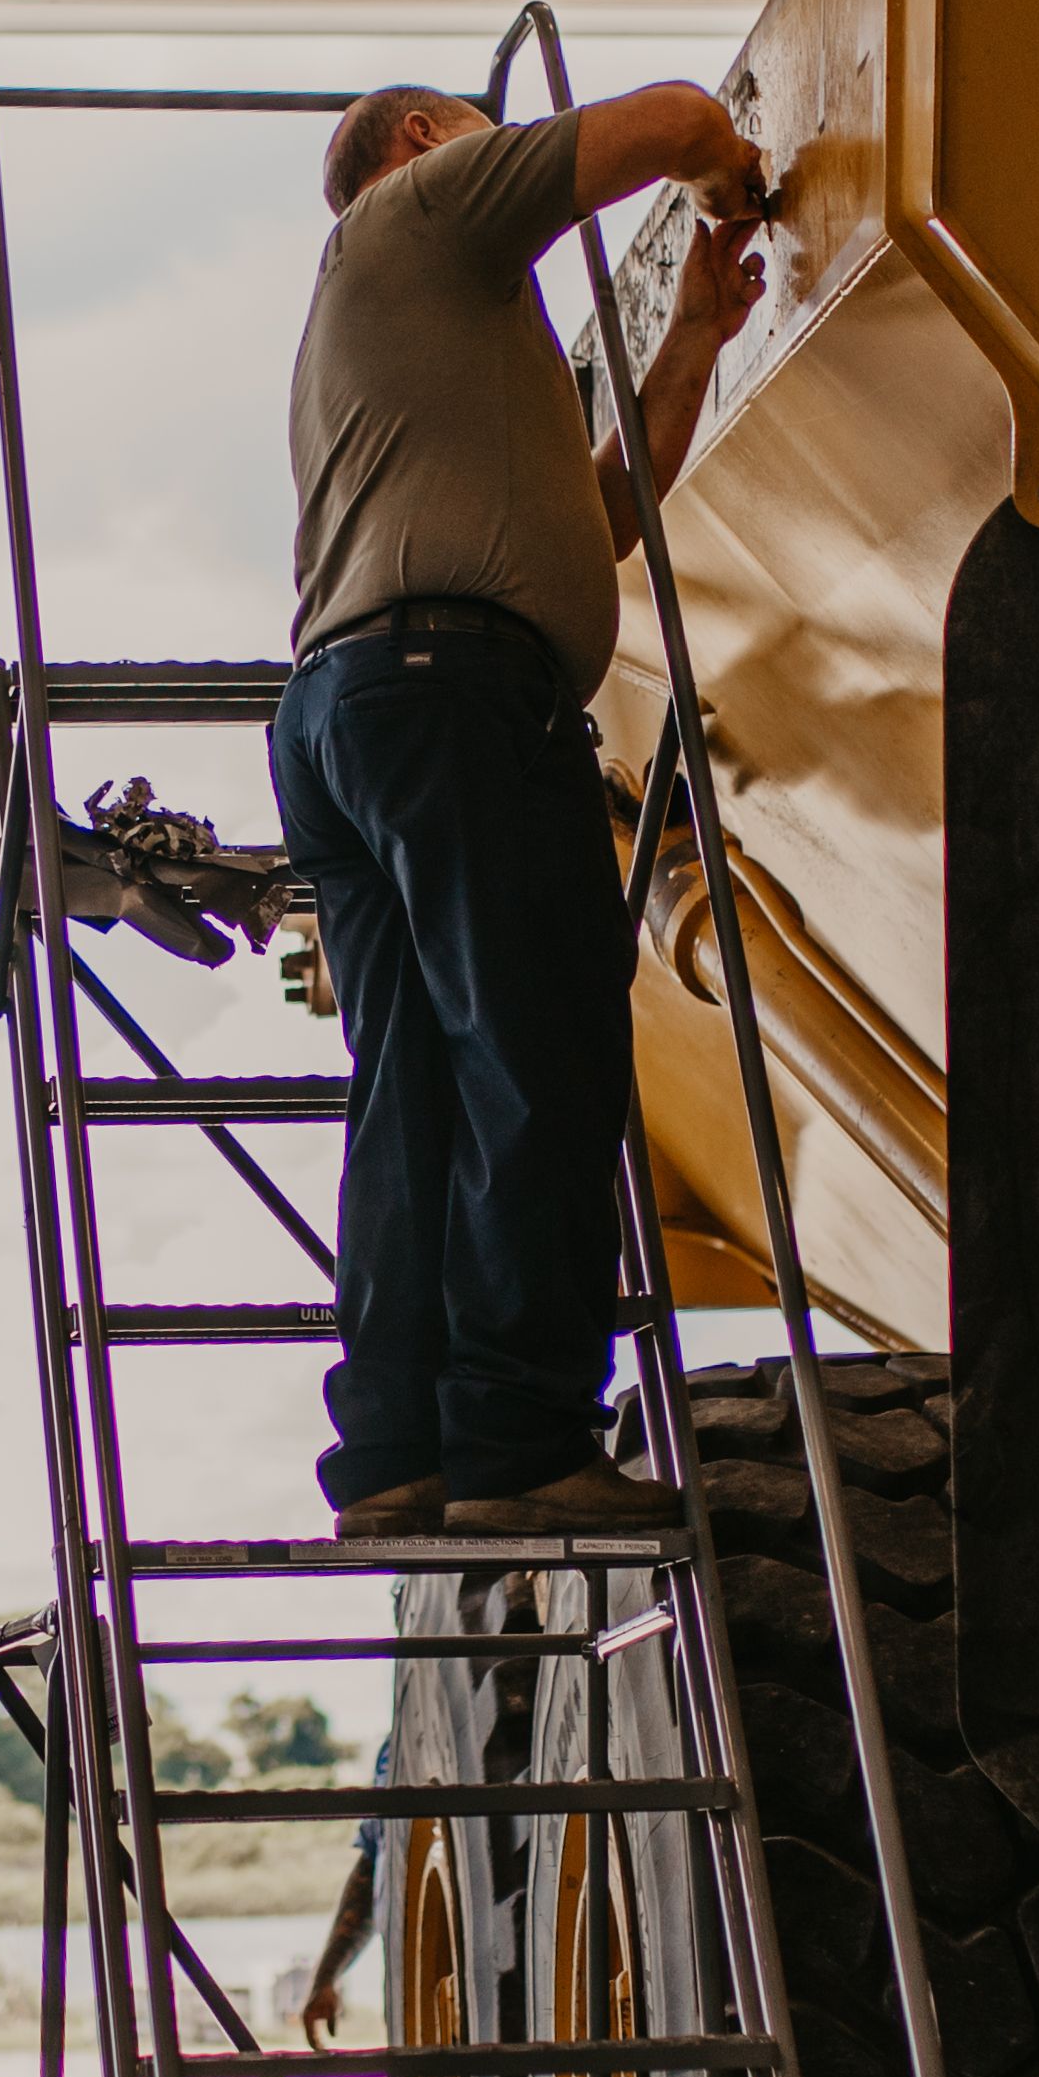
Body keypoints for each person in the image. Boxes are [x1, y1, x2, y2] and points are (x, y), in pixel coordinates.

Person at [272, 75, 765, 1543]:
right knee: (540, 1051)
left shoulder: (435, 340)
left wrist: (690, 333)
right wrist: (732, 178)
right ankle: (524, 1441)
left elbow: (609, 516)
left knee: (414, 1088)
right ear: (425, 140)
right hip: (456, 693)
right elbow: (677, 116)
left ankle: (401, 1453)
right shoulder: (421, 208)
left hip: (359, 706)